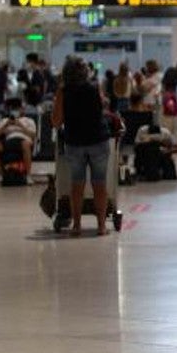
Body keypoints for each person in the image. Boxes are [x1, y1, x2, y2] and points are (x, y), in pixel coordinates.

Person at [54, 57, 112, 236]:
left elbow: (56, 121)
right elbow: (102, 107)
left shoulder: (63, 92)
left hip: (75, 142)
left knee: (77, 185)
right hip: (98, 140)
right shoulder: (95, 88)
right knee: (99, 184)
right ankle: (101, 226)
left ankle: (77, 225)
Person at [0, 97, 37, 181]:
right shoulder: (5, 120)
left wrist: (20, 125)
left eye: (17, 109)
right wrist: (6, 125)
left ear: (22, 109)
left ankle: (28, 176)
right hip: (8, 141)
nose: (15, 111)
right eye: (13, 109)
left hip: (23, 140)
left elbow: (33, 135)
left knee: (25, 144)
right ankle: (1, 175)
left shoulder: (29, 120)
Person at [159, 67, 177, 148]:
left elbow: (160, 100)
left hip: (164, 111)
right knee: (176, 135)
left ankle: (166, 155)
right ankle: (176, 154)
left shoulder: (162, 87)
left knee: (165, 134)